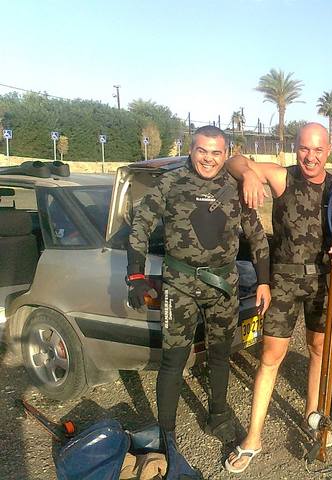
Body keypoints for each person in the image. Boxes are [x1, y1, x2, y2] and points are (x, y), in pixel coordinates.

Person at [126, 125, 271, 455]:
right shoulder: (171, 182)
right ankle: (166, 433)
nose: (208, 158)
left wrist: (263, 280)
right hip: (180, 285)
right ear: (191, 150)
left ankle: (218, 416)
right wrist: (135, 275)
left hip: (223, 287)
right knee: (173, 360)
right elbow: (141, 225)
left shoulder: (235, 188)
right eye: (202, 151)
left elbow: (257, 237)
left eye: (216, 152)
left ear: (226, 153)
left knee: (220, 354)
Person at [223, 122, 332, 473]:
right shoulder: (282, 177)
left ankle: (312, 413)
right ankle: (253, 437)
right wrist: (249, 174)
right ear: (296, 148)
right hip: (283, 281)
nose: (311, 156)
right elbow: (233, 161)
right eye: (304, 148)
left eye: (318, 149)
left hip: (323, 281)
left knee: (319, 349)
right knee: (270, 356)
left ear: (329, 150)